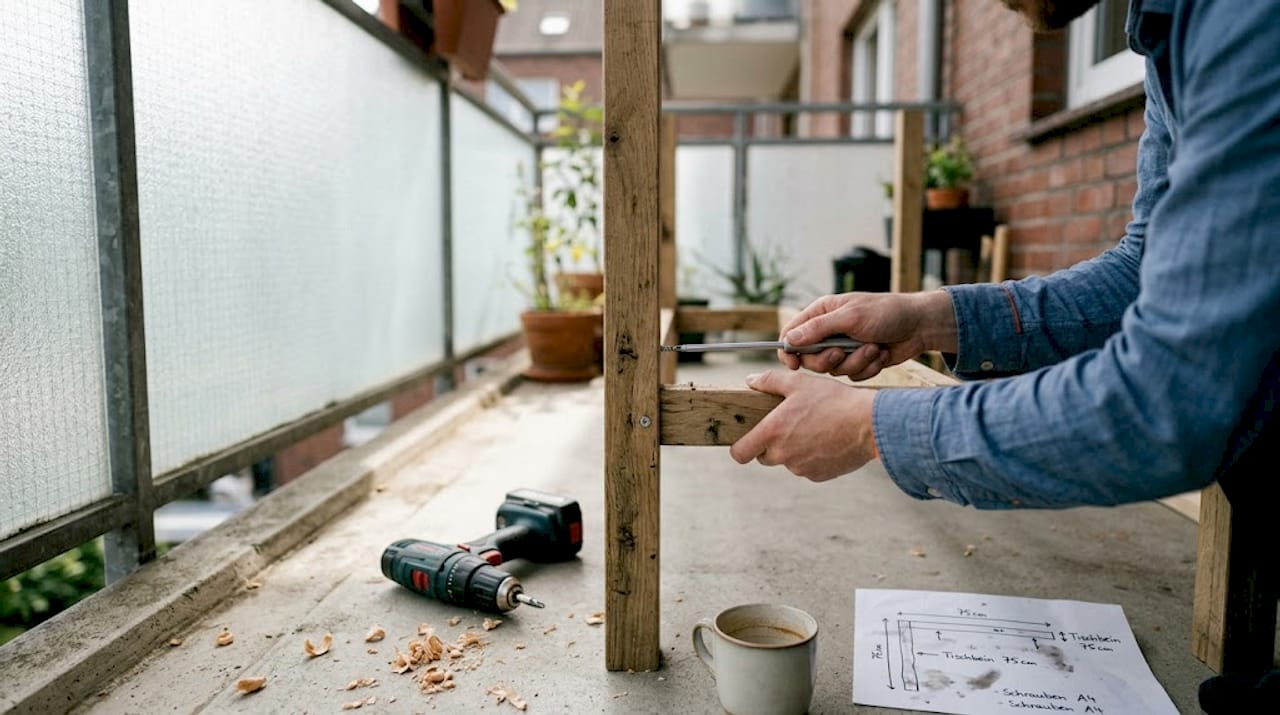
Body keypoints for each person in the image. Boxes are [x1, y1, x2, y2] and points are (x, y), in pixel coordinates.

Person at [729, 1, 1278, 711]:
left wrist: (870, 427)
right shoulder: (1174, 30)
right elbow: (1141, 273)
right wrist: (931, 318)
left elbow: (1166, 401)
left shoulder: (1246, 21)